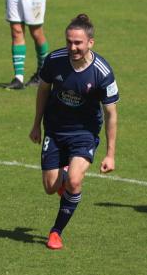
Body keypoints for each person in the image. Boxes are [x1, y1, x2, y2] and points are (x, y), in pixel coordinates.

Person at [29, 14, 118, 249]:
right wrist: (36, 123)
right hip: (55, 130)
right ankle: (65, 177)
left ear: (90, 43)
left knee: (75, 181)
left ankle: (56, 231)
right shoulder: (55, 60)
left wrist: (110, 153)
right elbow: (43, 91)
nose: (73, 47)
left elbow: (111, 114)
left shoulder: (102, 72)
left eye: (78, 43)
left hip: (84, 133)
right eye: (69, 41)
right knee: (50, 187)